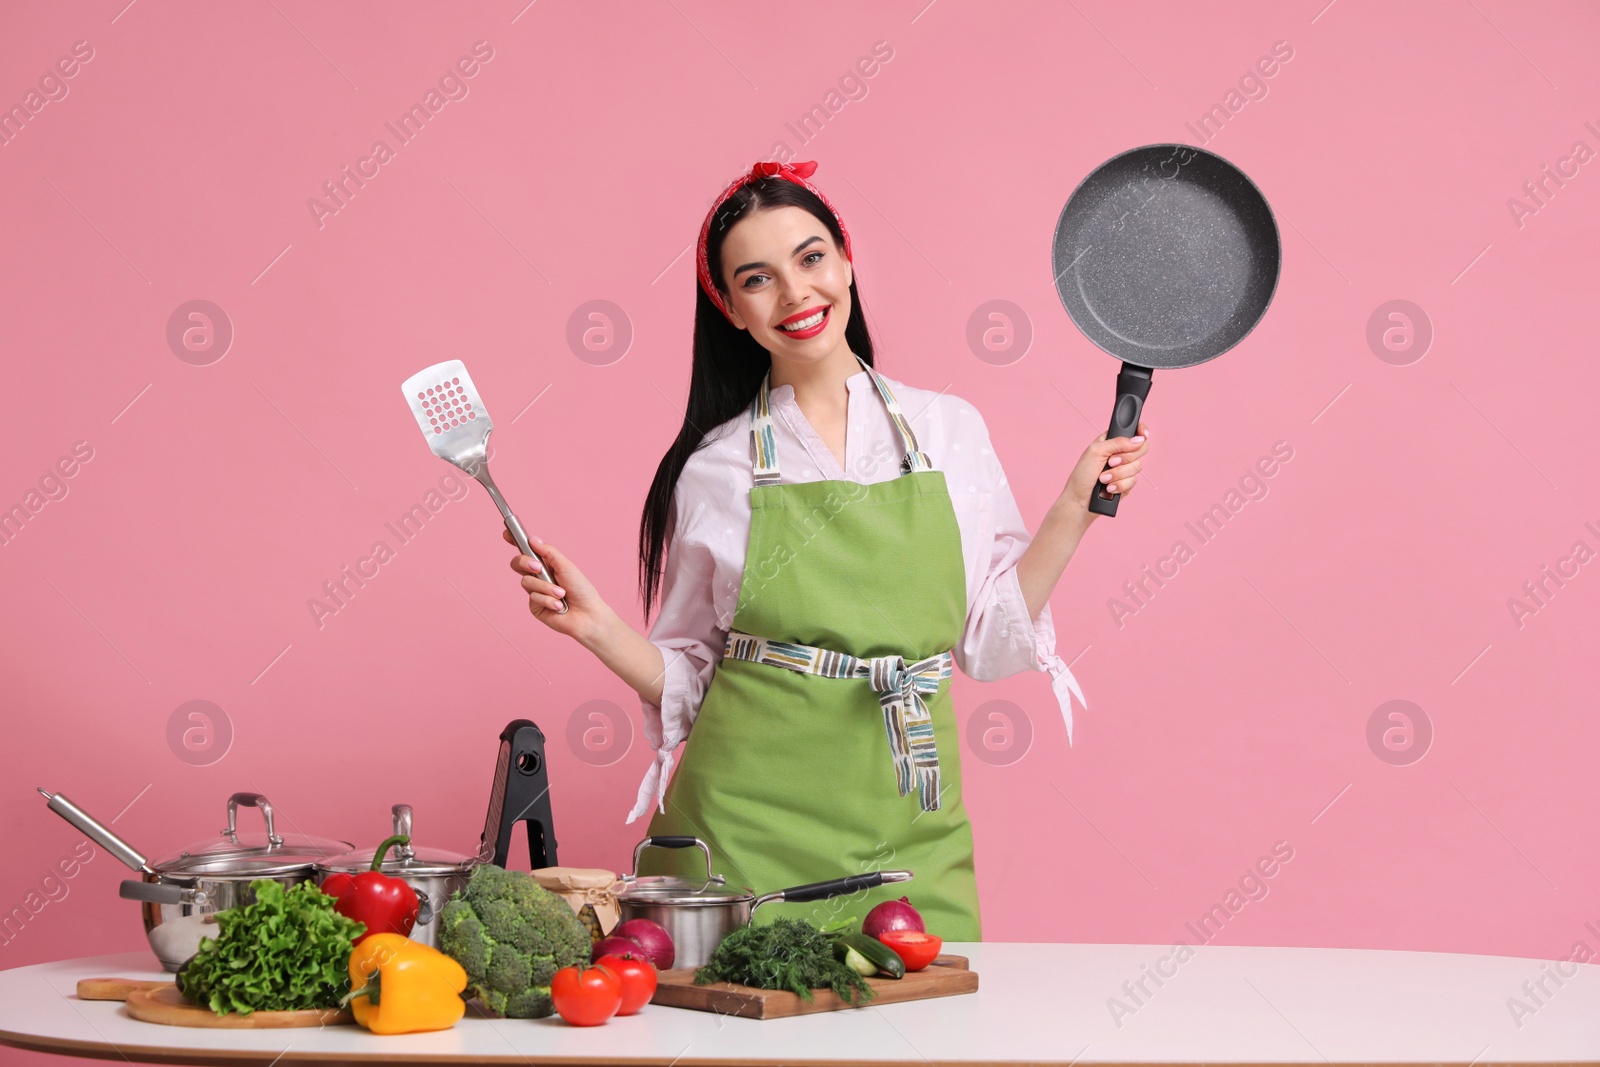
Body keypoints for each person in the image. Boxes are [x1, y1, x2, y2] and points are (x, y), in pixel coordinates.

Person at [507, 159, 1149, 941]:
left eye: (811, 258)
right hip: (741, 840)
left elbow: (987, 642)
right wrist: (597, 626)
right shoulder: (716, 468)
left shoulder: (951, 431)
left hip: (912, 833)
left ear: (847, 260)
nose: (796, 293)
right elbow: (694, 682)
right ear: (733, 310)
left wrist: (1074, 509)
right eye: (758, 278)